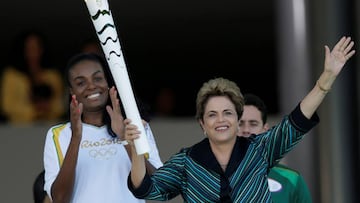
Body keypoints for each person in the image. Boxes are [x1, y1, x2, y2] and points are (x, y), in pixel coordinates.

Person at [124, 36, 355, 202]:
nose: (220, 120)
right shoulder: (187, 162)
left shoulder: (260, 149)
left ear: (237, 119)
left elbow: (296, 121)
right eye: (211, 115)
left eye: (227, 113)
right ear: (202, 124)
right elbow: (146, 189)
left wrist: (326, 79)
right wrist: (135, 150)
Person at [43, 53, 163, 203]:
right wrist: (76, 138)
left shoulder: (134, 126)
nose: (92, 86)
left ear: (108, 81)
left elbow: (160, 185)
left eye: (98, 78)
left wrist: (126, 141)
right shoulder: (58, 135)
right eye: (81, 83)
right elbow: (59, 199)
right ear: (71, 91)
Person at [239, 93, 312, 203]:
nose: (246, 130)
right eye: (239, 124)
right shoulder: (209, 179)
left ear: (265, 130)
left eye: (253, 124)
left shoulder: (291, 179)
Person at [0, 29, 65, 123]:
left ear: (42, 49)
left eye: (36, 47)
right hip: (19, 129)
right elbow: (7, 106)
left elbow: (61, 105)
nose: (33, 52)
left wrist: (48, 107)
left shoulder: (53, 76)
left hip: (49, 127)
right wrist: (34, 110)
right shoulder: (11, 75)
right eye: (29, 48)